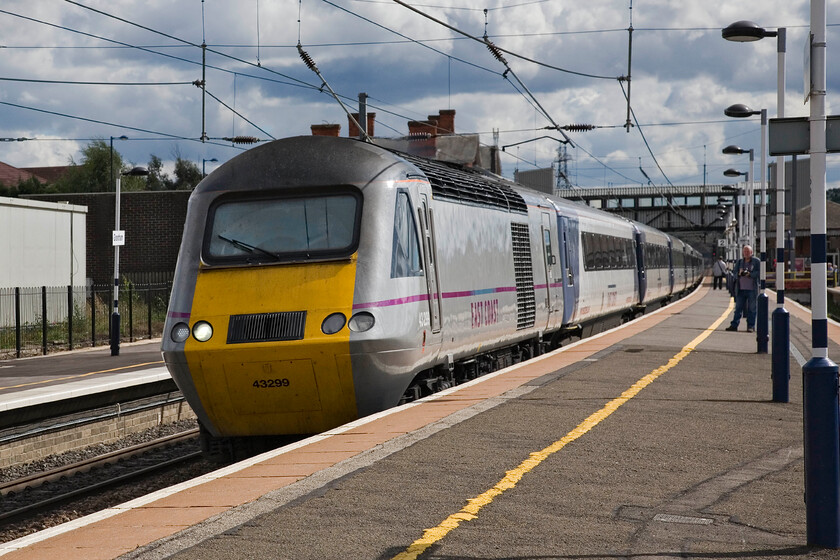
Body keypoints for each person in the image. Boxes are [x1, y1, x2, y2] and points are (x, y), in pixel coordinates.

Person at [725, 245, 760, 332]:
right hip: (740, 289)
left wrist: (750, 274)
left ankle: (751, 326)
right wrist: (739, 274)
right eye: (745, 252)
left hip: (752, 289)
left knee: (752, 309)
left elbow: (759, 273)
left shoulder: (756, 262)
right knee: (738, 308)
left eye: (748, 252)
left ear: (751, 253)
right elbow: (734, 273)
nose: (746, 253)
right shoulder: (740, 262)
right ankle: (734, 325)